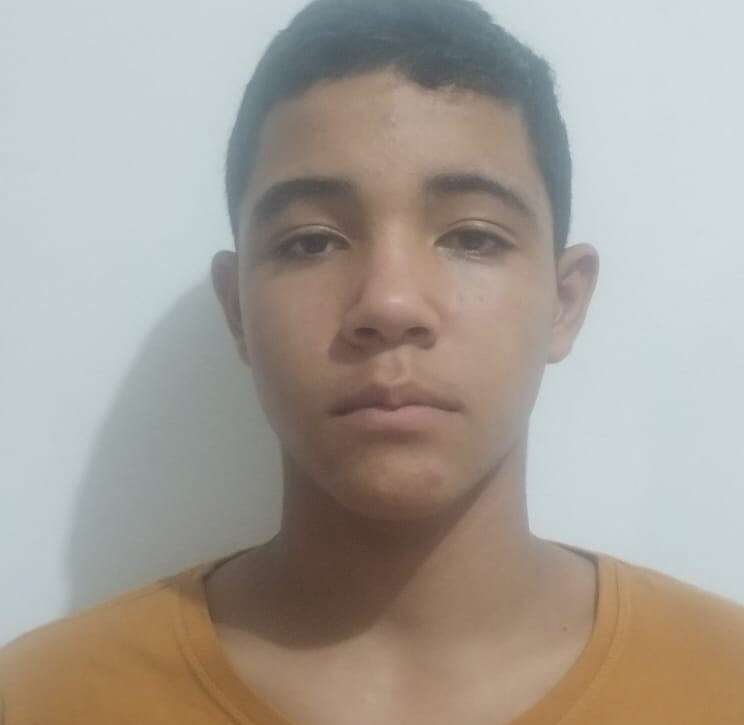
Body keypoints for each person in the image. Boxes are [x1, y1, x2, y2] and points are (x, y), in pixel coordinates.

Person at [2, 1, 743, 723]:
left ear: (565, 301)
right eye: (311, 241)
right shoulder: (42, 699)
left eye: (473, 236)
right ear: (237, 309)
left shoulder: (723, 680)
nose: (389, 302)